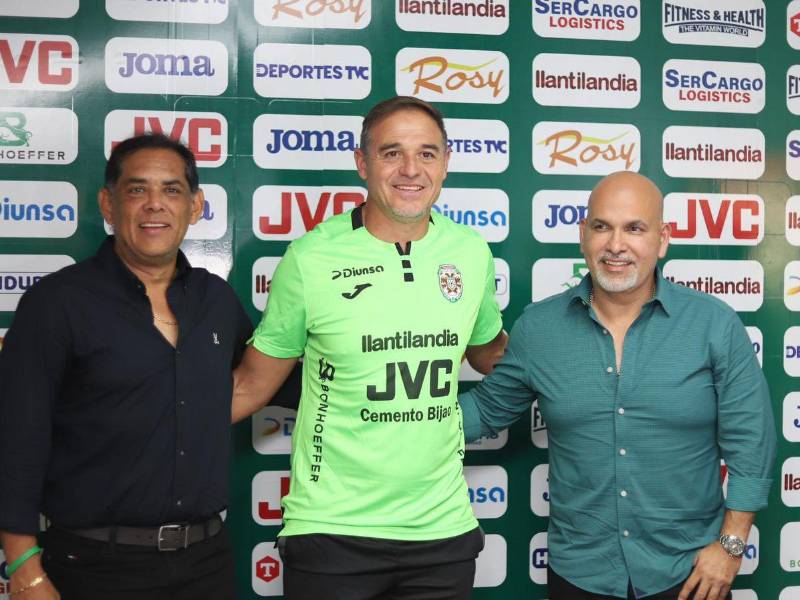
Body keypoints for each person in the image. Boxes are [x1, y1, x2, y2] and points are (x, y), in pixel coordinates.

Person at [232, 96, 507, 599]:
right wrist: (146, 429)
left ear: (446, 163)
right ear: (362, 163)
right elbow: (250, 384)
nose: (410, 169)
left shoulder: (471, 254)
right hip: (332, 530)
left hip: (441, 532)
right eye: (391, 153)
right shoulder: (310, 258)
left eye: (426, 153)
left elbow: (490, 354)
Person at [460, 171, 776, 600]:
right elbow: (485, 412)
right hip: (580, 573)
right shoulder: (539, 327)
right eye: (602, 226)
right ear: (583, 235)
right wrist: (386, 421)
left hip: (688, 573)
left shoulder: (713, 324)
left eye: (634, 228)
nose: (616, 245)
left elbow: (751, 442)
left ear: (662, 240)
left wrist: (731, 546)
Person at [0, 134, 252, 599]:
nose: (155, 205)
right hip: (92, 567)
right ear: (108, 204)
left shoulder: (215, 300)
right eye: (137, 190)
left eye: (172, 190)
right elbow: (16, 438)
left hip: (206, 563)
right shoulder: (57, 304)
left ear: (195, 206)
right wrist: (23, 566)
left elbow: (268, 379)